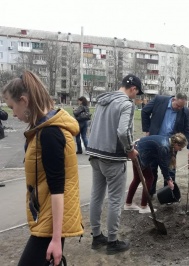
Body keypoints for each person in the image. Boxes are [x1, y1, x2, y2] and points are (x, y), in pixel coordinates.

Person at [2, 70, 83, 266]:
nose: (13, 114)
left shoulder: (49, 132)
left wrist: (56, 239)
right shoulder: (42, 127)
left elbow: (58, 188)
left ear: (24, 100)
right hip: (46, 215)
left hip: (49, 223)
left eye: (12, 107)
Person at [86, 74, 143, 255]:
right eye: (137, 93)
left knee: (96, 195)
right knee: (115, 199)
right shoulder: (126, 104)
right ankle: (112, 241)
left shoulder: (103, 101)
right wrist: (130, 150)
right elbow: (122, 131)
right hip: (112, 157)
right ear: (133, 88)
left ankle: (96, 237)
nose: (136, 96)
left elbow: (92, 125)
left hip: (95, 154)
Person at [141, 93, 189, 196]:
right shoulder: (159, 100)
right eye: (177, 105)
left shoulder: (185, 111)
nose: (179, 108)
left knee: (170, 170)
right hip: (155, 142)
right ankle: (150, 193)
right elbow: (145, 111)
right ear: (173, 100)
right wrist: (147, 130)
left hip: (172, 144)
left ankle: (167, 195)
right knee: (152, 168)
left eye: (181, 107)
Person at [124, 133, 187, 213]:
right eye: (180, 148)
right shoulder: (164, 146)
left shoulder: (167, 142)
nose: (180, 150)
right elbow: (163, 164)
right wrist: (168, 180)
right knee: (150, 178)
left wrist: (168, 178)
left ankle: (128, 204)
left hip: (137, 150)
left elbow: (165, 162)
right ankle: (143, 206)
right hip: (140, 155)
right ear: (176, 144)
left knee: (137, 179)